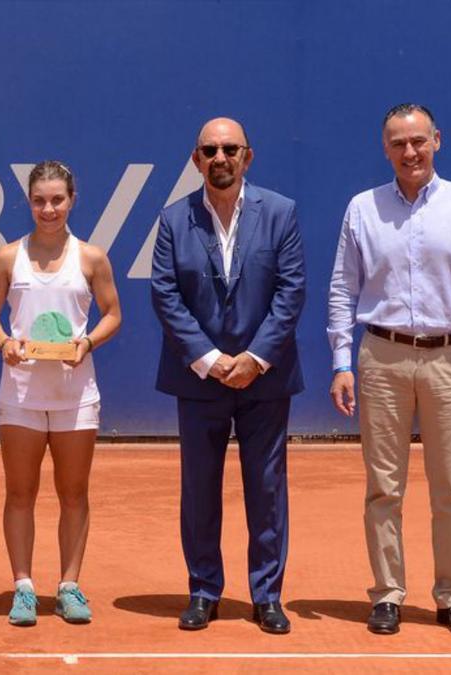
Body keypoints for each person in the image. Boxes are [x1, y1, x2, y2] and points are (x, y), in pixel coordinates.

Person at [327, 103, 451, 637]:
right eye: (398, 143)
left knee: (450, 487)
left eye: (419, 141)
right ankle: (387, 593)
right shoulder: (362, 208)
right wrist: (342, 361)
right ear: (385, 148)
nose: (410, 152)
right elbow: (343, 289)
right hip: (380, 357)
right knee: (384, 487)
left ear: (437, 141)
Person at [150, 118, 305, 634]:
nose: (220, 157)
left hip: (264, 378)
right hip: (199, 380)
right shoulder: (174, 220)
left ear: (247, 156)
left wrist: (255, 358)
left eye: (230, 149)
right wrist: (211, 360)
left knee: (266, 488)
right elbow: (166, 296)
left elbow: (291, 291)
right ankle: (203, 590)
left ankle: (267, 596)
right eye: (210, 150)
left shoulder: (280, 213)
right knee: (199, 489)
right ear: (196, 159)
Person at [0, 161, 121, 626]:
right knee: (20, 493)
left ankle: (68, 586)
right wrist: (4, 343)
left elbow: (113, 314)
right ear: (29, 202)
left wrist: (87, 342)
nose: (49, 208)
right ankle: (23, 587)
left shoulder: (92, 258)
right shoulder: (6, 257)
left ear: (72, 200)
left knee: (74, 493)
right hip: (19, 394)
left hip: (75, 395)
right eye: (40, 200)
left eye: (57, 199)